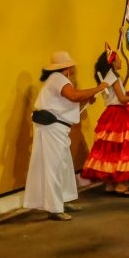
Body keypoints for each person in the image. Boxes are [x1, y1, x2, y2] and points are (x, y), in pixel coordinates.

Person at [23, 51, 109, 221]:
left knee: (63, 166)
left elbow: (68, 102)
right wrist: (98, 88)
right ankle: (55, 208)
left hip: (56, 128)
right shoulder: (58, 79)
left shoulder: (57, 80)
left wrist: (87, 98)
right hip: (53, 128)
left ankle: (62, 201)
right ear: (68, 67)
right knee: (55, 167)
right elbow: (73, 95)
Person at [80, 48, 129, 196]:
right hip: (119, 113)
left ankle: (110, 183)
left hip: (110, 113)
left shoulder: (107, 76)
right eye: (119, 59)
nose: (121, 60)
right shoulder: (113, 77)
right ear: (113, 62)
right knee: (125, 149)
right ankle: (121, 185)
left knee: (110, 150)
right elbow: (122, 99)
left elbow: (118, 96)